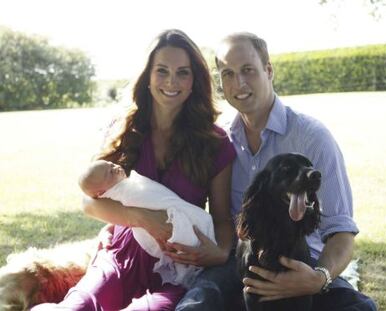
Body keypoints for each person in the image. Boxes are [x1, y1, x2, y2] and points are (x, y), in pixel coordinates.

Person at [31, 29, 236, 311]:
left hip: (176, 269)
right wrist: (140, 217)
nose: (171, 81)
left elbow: (223, 219)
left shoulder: (215, 142)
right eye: (162, 71)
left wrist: (220, 252)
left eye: (183, 72)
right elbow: (89, 202)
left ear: (194, 81)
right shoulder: (124, 128)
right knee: (78, 307)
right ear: (148, 77)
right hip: (121, 256)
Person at [214, 32, 377, 310]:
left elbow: (341, 231)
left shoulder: (311, 137)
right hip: (241, 265)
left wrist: (319, 277)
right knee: (196, 302)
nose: (238, 82)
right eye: (227, 73)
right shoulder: (221, 142)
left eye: (248, 70)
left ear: (269, 70)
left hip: (304, 264)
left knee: (360, 308)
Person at [78, 159, 217, 287]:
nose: (115, 167)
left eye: (112, 165)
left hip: (169, 255)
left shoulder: (212, 144)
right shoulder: (126, 139)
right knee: (85, 297)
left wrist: (220, 254)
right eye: (109, 172)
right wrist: (137, 217)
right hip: (120, 253)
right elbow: (87, 201)